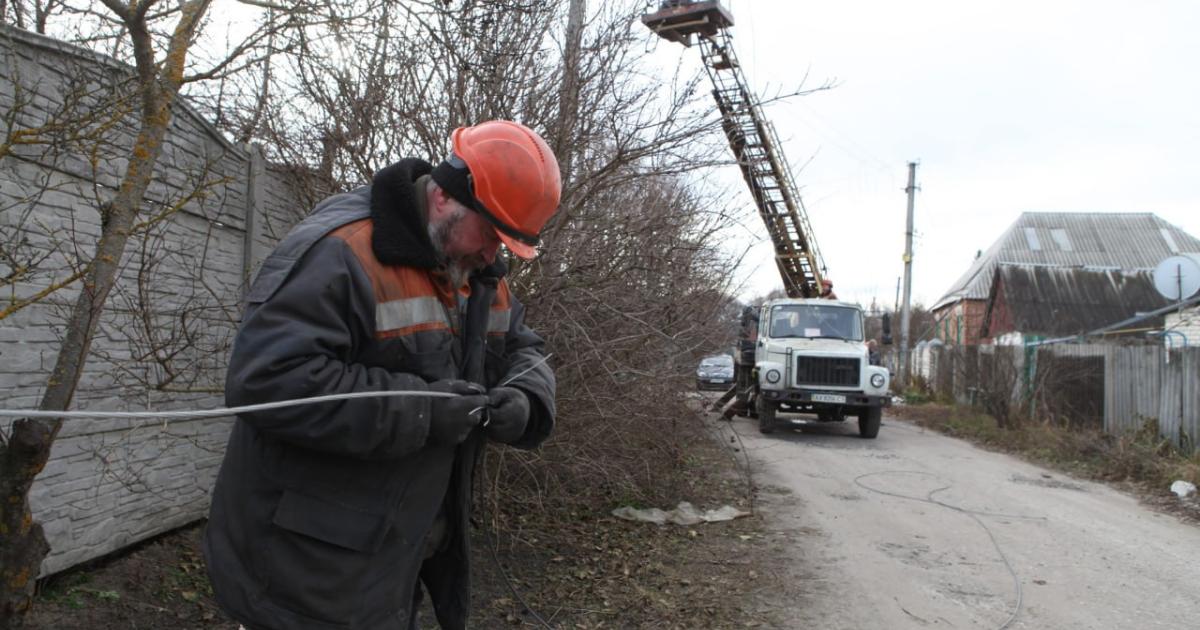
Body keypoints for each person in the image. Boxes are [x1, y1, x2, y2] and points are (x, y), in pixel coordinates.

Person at [203, 120, 560, 630]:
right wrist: (420, 410)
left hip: (396, 554)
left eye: (506, 243)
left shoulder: (477, 275)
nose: (492, 255)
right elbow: (267, 380)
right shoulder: (344, 252)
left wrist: (526, 399)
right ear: (446, 200)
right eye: (490, 234)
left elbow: (528, 350)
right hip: (307, 570)